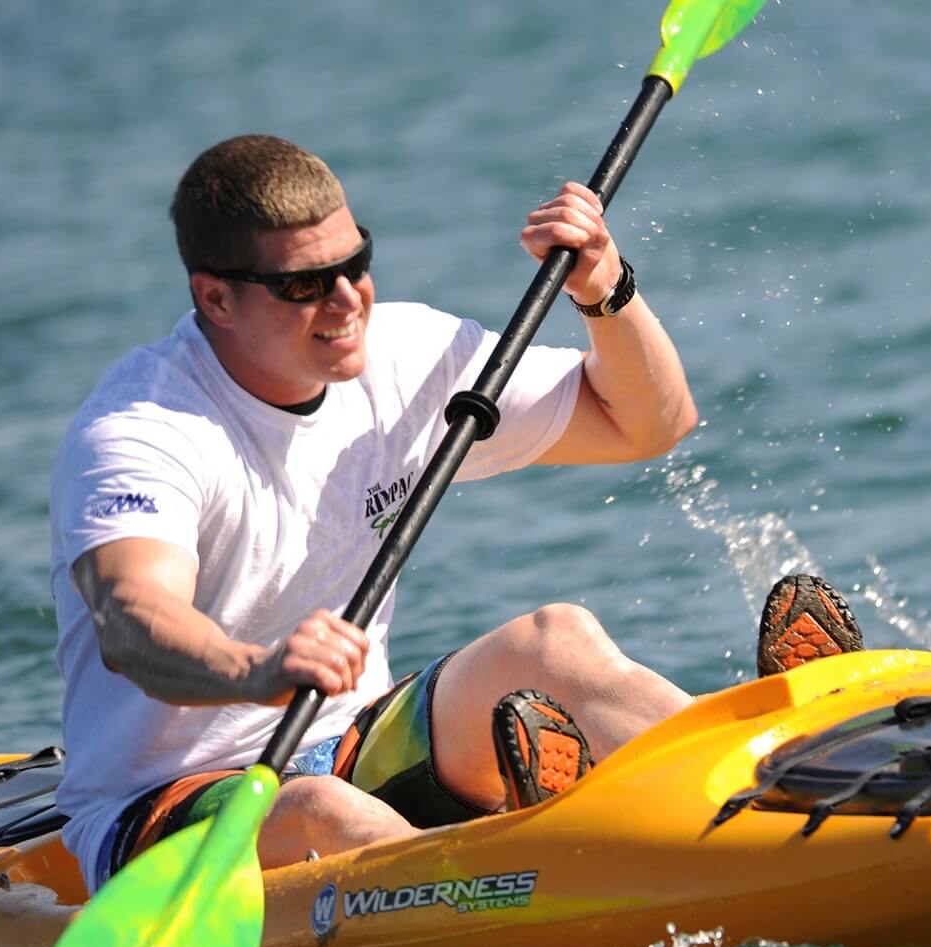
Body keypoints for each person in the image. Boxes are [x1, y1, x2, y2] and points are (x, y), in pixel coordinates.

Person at [49, 134, 863, 894]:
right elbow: (133, 622)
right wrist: (256, 673)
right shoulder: (143, 431)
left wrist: (604, 289)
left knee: (557, 641)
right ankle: (534, 866)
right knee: (321, 814)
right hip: (166, 801)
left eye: (356, 262)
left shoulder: (402, 357)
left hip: (352, 738)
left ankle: (784, 777)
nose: (346, 301)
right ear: (215, 299)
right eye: (304, 285)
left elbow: (650, 424)